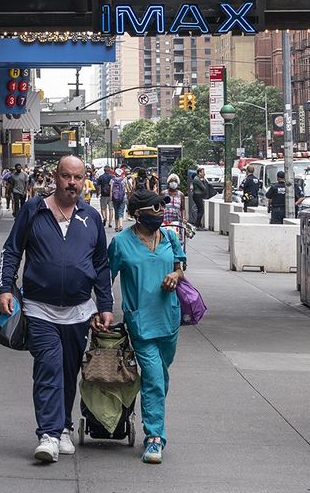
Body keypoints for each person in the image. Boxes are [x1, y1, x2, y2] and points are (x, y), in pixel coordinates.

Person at [0, 155, 114, 464]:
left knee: (68, 370)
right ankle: (48, 434)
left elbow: (101, 265)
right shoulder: (33, 210)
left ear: (85, 179)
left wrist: (105, 305)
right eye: (66, 176)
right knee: (49, 367)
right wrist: (6, 288)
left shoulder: (91, 217)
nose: (72, 183)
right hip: (39, 310)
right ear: (56, 176)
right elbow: (12, 250)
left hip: (79, 312)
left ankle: (63, 426)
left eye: (77, 177)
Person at [109, 189, 187, 465]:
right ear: (137, 213)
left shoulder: (170, 237)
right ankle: (155, 437)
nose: (160, 212)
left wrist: (175, 275)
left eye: (161, 207)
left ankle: (153, 414)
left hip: (169, 320)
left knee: (161, 378)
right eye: (154, 208)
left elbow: (181, 267)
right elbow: (104, 278)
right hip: (141, 323)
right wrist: (102, 310)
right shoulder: (120, 243)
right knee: (153, 378)